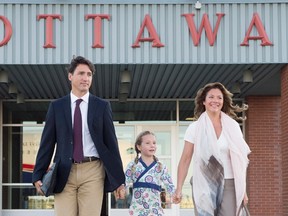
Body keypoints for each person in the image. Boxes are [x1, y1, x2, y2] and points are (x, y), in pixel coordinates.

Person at [32, 56, 125, 216]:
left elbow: (111, 144)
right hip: (63, 172)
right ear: (70, 76)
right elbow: (47, 143)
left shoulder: (102, 106)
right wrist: (37, 174)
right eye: (81, 73)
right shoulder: (57, 107)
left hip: (93, 170)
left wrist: (119, 180)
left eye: (89, 75)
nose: (85, 78)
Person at [173, 82, 251, 216]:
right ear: (203, 101)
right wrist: (179, 188)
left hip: (230, 182)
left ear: (223, 101)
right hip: (203, 182)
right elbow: (185, 159)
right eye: (211, 97)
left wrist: (242, 189)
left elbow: (240, 159)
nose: (215, 100)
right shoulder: (195, 128)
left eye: (219, 98)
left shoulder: (232, 127)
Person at [125, 131, 175, 215]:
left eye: (154, 143)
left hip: (155, 210)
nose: (152, 145)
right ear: (139, 147)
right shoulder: (133, 165)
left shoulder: (160, 166)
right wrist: (121, 190)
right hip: (137, 209)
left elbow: (169, 184)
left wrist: (174, 194)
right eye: (148, 143)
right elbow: (124, 182)